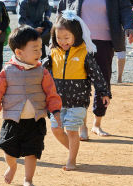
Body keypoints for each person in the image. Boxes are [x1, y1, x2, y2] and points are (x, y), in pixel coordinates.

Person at [0, 26, 62, 186]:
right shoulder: (7, 71)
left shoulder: (42, 72)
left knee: (32, 152)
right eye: (34, 49)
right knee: (8, 149)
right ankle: (12, 166)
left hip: (35, 121)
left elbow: (51, 93)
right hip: (13, 120)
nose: (39, 52)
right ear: (19, 53)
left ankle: (28, 179)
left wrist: (55, 111)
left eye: (40, 48)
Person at [57, 0, 133, 140]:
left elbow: (125, 8)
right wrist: (57, 38)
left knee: (103, 82)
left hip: (104, 43)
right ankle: (82, 126)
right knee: (79, 84)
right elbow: (62, 11)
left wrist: (129, 26)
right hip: (79, 43)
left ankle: (97, 124)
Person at [44, 11, 111, 170]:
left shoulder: (84, 53)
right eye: (59, 38)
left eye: (66, 38)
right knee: (56, 129)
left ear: (77, 35)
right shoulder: (53, 53)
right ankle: (73, 151)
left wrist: (104, 92)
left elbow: (97, 74)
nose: (62, 42)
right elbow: (40, 70)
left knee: (72, 131)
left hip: (78, 102)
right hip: (57, 102)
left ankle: (71, 160)